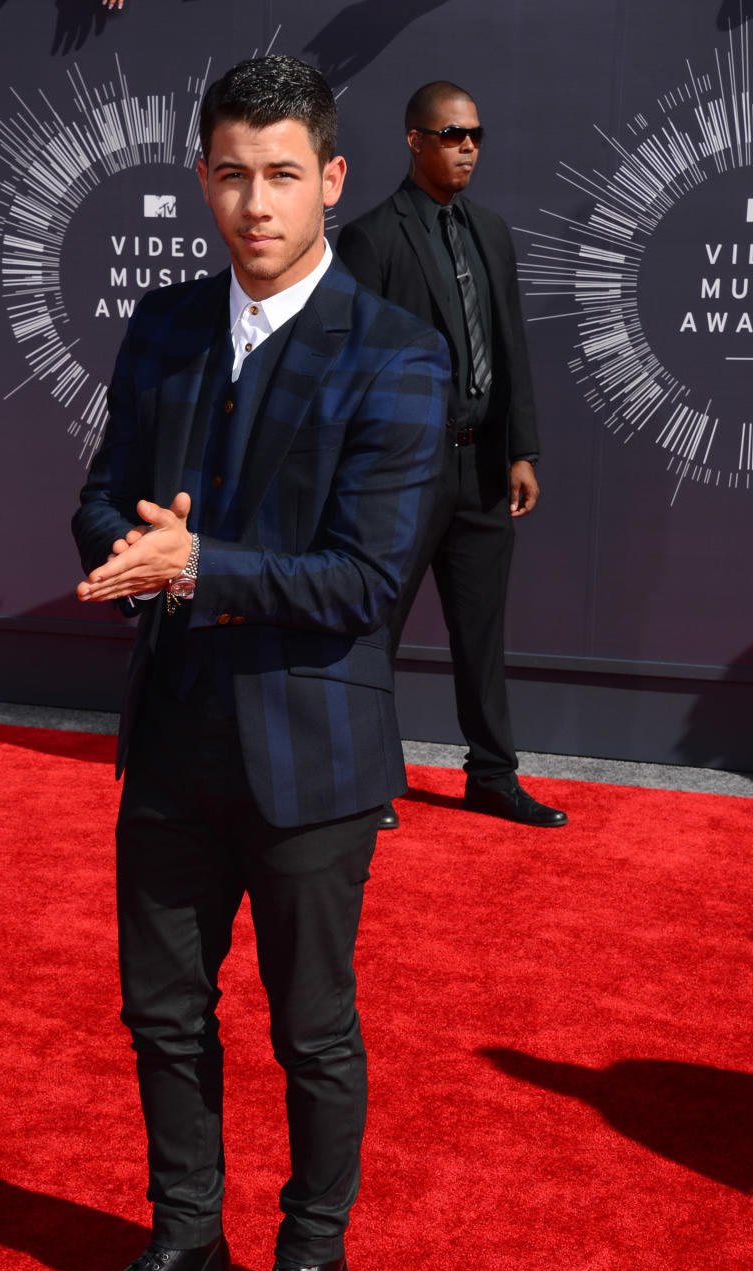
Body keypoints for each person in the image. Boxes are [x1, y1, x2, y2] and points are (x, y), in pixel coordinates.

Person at [48, 56, 450, 1271]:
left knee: (310, 1028)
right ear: (203, 178)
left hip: (314, 755)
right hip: (171, 731)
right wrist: (129, 547)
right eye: (230, 173)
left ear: (330, 179)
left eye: (282, 175)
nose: (254, 203)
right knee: (162, 1013)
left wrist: (198, 566)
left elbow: (367, 579)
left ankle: (314, 1264)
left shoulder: (397, 351)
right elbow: (102, 494)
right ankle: (184, 1244)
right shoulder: (162, 325)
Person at [337, 81, 567, 829]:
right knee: (375, 632)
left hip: (482, 470)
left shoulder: (492, 231)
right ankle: (367, 780)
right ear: (413, 139)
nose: (466, 146)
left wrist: (521, 449)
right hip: (404, 477)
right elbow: (353, 367)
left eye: (475, 134)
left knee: (482, 636)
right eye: (450, 133)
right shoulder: (372, 237)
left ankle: (492, 777)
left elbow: (511, 351)